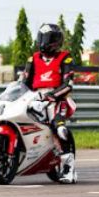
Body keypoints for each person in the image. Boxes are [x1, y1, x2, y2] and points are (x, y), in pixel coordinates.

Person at [20, 23, 77, 183]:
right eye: (44, 38)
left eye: (50, 38)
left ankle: (69, 169)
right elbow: (24, 82)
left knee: (60, 129)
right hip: (34, 97)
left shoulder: (65, 57)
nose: (47, 42)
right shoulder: (33, 58)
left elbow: (68, 84)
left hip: (57, 98)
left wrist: (51, 96)